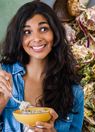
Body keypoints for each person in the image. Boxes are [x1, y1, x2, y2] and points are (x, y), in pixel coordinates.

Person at [0, 1, 84, 132]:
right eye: (27, 31)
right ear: (18, 37)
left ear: (55, 33)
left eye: (43, 29)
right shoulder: (2, 76)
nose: (36, 38)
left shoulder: (74, 91)